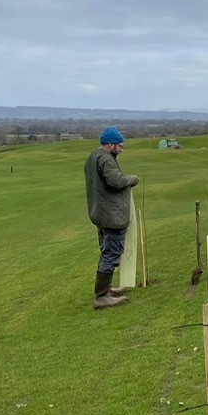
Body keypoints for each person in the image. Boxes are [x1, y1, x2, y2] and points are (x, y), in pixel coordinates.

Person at [84, 126, 139, 309]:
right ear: (110, 145)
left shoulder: (93, 157)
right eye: (120, 146)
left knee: (106, 250)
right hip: (111, 216)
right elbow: (116, 181)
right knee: (111, 253)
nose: (121, 149)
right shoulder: (106, 160)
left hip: (100, 213)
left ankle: (105, 290)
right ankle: (101, 297)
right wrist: (132, 179)